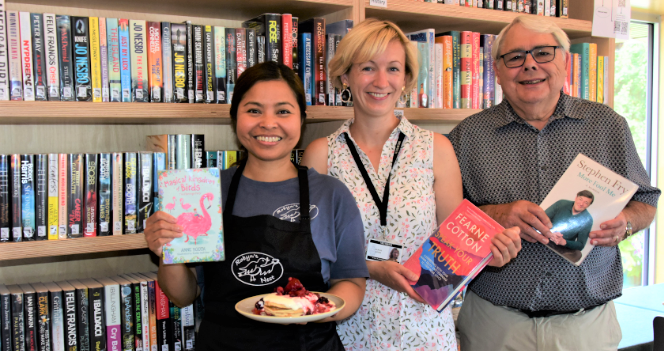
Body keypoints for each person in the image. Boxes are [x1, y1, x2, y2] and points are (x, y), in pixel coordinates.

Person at [301, 18, 522, 351]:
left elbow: (455, 244)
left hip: (425, 331)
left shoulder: (437, 149)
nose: (380, 81)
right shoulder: (321, 155)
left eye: (393, 69)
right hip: (348, 331)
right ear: (345, 75)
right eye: (367, 68)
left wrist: (489, 255)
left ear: (406, 79)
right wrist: (372, 269)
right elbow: (308, 253)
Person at [448, 15, 661, 351]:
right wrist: (496, 214)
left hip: (586, 327)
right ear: (498, 71)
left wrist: (626, 224)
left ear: (564, 60)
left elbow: (646, 201)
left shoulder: (607, 126)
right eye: (515, 57)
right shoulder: (467, 137)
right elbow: (444, 221)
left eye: (543, 53)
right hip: (494, 325)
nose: (530, 66)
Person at [143, 61, 369, 351]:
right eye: (253, 110)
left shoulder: (331, 194)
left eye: (283, 111)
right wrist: (167, 252)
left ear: (302, 119)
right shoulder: (204, 191)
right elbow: (183, 296)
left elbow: (352, 283)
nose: (268, 123)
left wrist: (311, 310)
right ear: (234, 117)